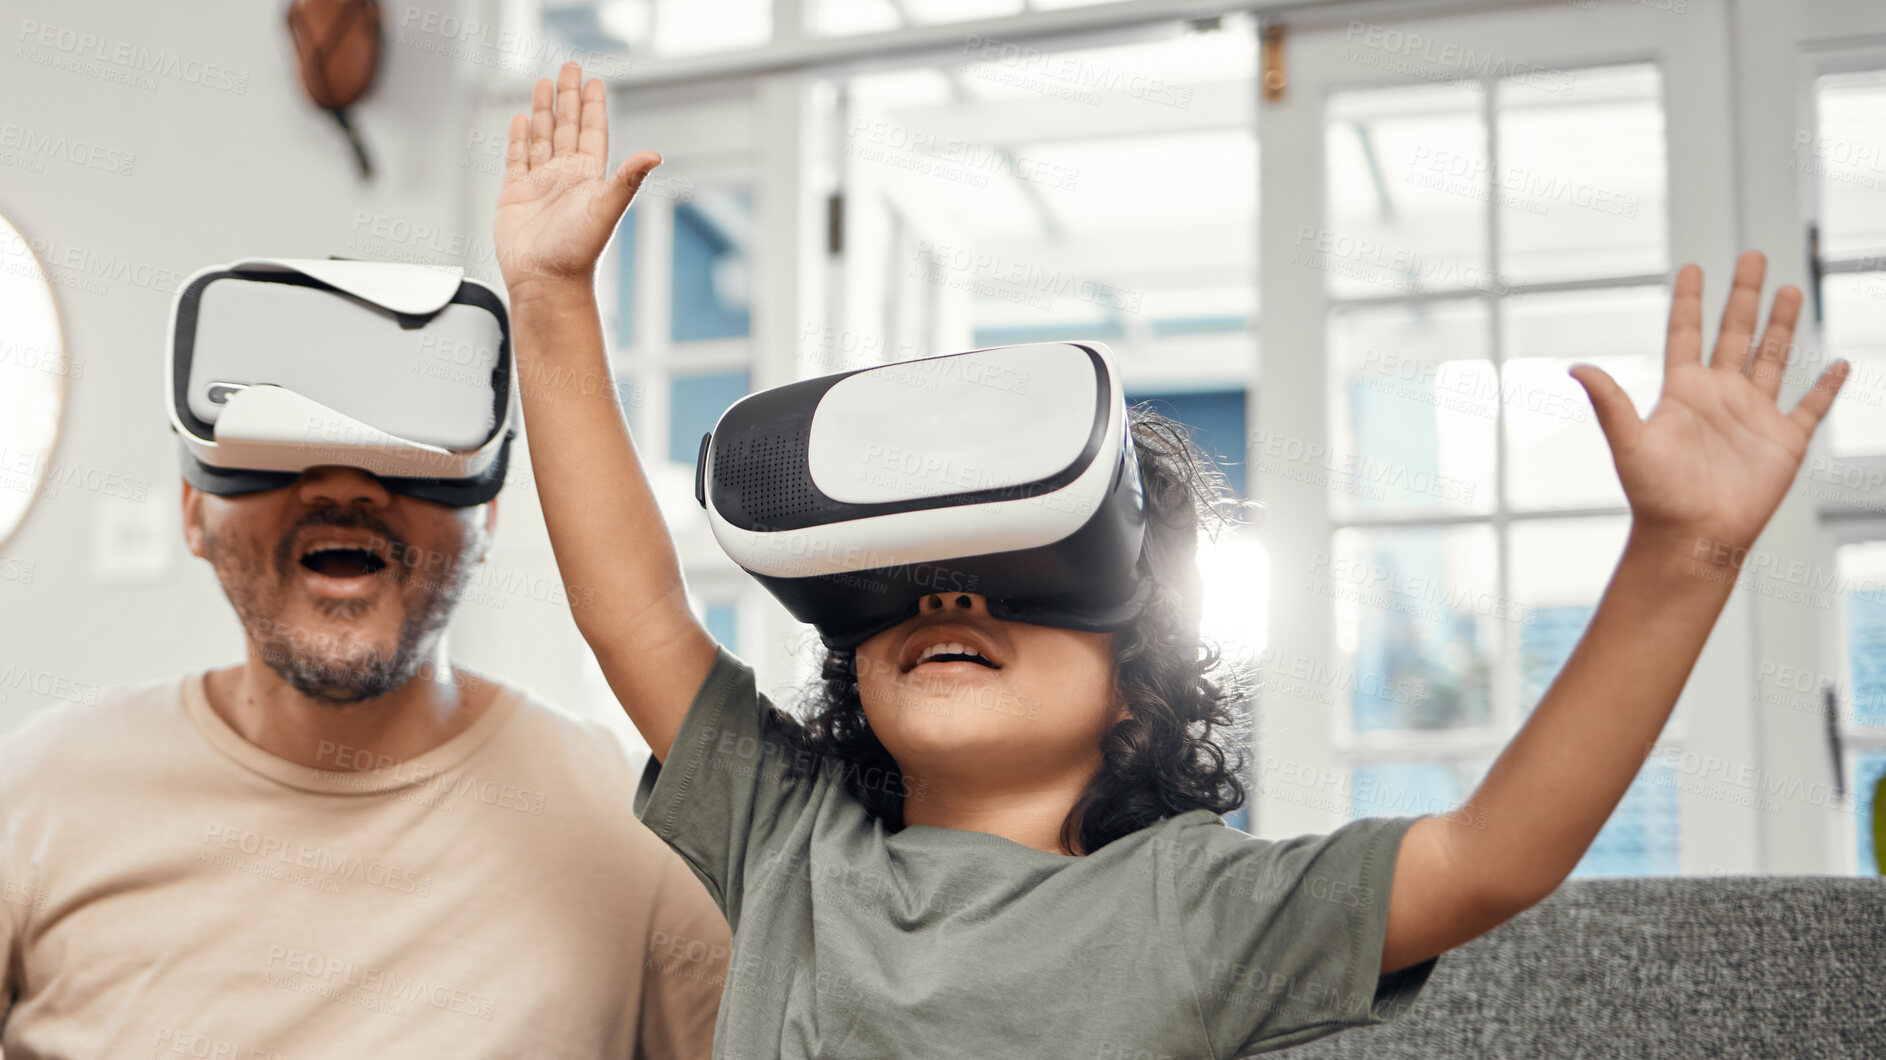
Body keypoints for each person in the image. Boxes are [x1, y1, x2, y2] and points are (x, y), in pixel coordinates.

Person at [493, 60, 1852, 1058]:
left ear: (1136, 690)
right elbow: (637, 617)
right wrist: (551, 299)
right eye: (908, 583)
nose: (949, 595)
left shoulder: (1193, 904)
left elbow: (1489, 854)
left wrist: (1681, 554)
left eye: (1015, 574)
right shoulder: (786, 835)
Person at [0, 330, 730, 1055]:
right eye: (279, 443)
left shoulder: (640, 834)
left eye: (404, 443)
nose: (344, 485)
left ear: (487, 517)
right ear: (193, 509)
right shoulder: (36, 795)